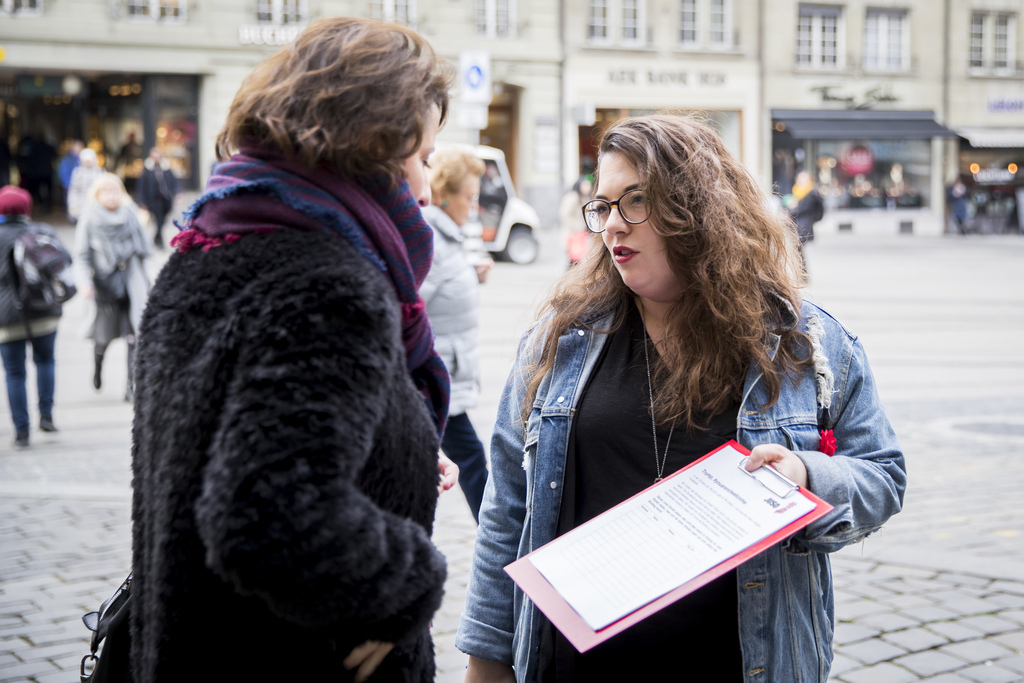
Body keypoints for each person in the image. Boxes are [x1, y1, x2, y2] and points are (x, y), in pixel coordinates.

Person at [456, 115, 906, 682]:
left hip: (743, 663)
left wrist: (808, 478)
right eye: (603, 206)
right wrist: (486, 659)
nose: (614, 226)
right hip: (574, 667)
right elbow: (507, 510)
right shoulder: (561, 339)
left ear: (698, 209)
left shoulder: (804, 341)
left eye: (635, 201)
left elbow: (882, 475)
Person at [129, 17, 458, 683]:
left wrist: (403, 447)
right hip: (294, 655)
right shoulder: (329, 284)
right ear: (373, 145)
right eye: (423, 158)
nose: (426, 189)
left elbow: (222, 443)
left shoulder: (209, 246)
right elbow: (265, 511)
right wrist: (410, 584)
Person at [420, 147, 493, 523]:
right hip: (435, 380)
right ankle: (501, 546)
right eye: (469, 196)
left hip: (447, 374)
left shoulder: (447, 235)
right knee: (471, 461)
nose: (473, 205)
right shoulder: (430, 237)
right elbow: (411, 305)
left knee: (463, 460)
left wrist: (470, 273)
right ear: (445, 194)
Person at [73, 172, 151, 403]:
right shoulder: (89, 219)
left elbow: (144, 251)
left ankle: (130, 386)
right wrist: (84, 283)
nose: (111, 196)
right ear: (97, 194)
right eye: (106, 191)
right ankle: (98, 366)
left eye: (115, 190)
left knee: (133, 336)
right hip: (105, 285)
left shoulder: (131, 215)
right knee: (104, 337)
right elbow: (82, 257)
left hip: (131, 282)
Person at [0, 186, 63, 448]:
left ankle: (21, 430)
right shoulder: (42, 231)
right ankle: (46, 415)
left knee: (15, 373)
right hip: (43, 310)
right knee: (46, 360)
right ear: (27, 207)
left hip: (7, 315)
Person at [136, 146, 180, 248]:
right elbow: (141, 186)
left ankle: (156, 237)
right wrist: (141, 201)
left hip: (166, 199)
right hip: (153, 200)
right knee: (158, 219)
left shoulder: (166, 168)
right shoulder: (147, 170)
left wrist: (177, 192)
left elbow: (174, 182)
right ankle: (159, 241)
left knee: (163, 219)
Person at [787, 170, 824, 266]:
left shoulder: (811, 194)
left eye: (803, 179)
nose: (800, 182)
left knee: (799, 251)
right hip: (798, 224)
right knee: (798, 251)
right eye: (799, 179)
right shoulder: (798, 193)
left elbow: (802, 209)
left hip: (803, 226)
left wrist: (791, 209)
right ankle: (802, 274)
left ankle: (803, 275)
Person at [558, 177, 593, 265]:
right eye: (585, 185)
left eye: (588, 185)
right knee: (573, 260)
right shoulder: (572, 197)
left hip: (581, 234)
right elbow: (565, 215)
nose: (588, 187)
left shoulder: (585, 197)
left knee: (578, 259)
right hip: (573, 234)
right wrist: (579, 227)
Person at [66, 148, 105, 223]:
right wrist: (72, 205)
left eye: (89, 161)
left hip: (96, 203)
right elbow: (73, 190)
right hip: (82, 203)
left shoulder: (100, 172)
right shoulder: (77, 172)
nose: (87, 163)